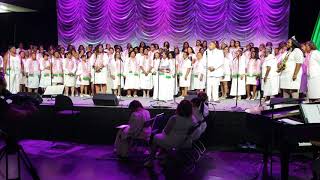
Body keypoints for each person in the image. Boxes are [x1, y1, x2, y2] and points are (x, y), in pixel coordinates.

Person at [144, 100, 197, 167]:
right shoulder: (193, 119)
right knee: (162, 137)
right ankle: (165, 157)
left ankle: (150, 161)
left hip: (173, 142)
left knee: (155, 137)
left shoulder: (174, 118)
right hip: (186, 142)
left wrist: (162, 131)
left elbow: (166, 132)